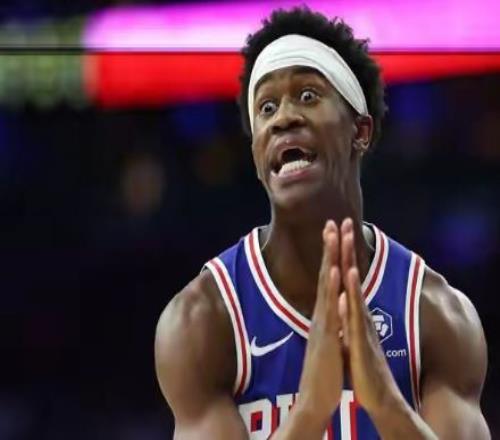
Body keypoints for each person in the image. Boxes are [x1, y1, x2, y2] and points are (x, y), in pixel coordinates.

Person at [154, 7, 490, 439]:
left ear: (360, 131)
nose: (283, 117)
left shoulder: (434, 313)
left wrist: (384, 401)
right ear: (257, 157)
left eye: (308, 95)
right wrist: (312, 408)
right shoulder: (203, 318)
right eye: (267, 107)